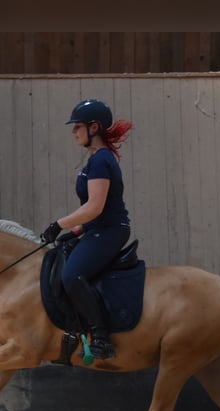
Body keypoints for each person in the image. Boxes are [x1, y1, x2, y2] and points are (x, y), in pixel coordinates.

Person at [41, 99, 134, 360]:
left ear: (94, 128)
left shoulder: (101, 160)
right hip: (97, 228)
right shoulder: (95, 160)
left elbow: (95, 206)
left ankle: (101, 337)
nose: (74, 132)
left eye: (78, 126)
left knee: (72, 275)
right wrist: (75, 231)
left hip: (110, 230)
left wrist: (57, 224)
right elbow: (95, 213)